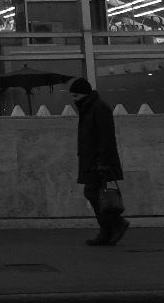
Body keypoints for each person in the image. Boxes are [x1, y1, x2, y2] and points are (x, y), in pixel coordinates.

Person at [69, 77, 128, 246]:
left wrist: (103, 162)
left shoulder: (98, 108)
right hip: (91, 159)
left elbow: (106, 137)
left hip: (97, 160)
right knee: (93, 194)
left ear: (84, 94)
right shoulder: (89, 108)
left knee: (92, 193)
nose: (73, 99)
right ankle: (107, 231)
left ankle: (115, 224)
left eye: (75, 95)